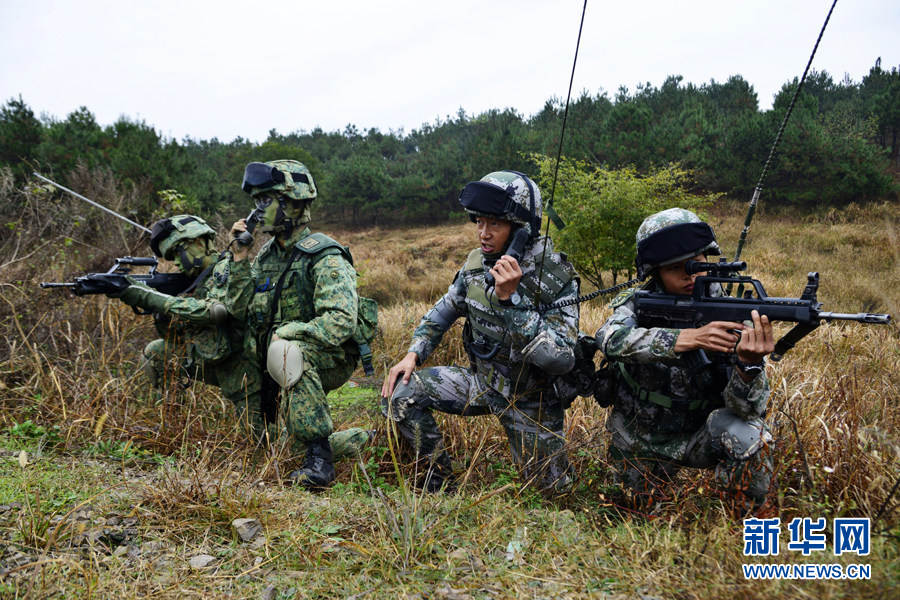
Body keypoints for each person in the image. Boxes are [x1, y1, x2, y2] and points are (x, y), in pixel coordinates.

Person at [110, 213, 370, 460]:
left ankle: (359, 438)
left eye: (178, 253)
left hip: (246, 374)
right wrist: (162, 312)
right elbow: (178, 337)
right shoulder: (192, 281)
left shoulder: (227, 268)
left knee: (276, 452)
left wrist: (149, 297)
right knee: (157, 353)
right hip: (217, 362)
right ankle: (172, 430)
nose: (176, 263)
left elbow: (218, 311)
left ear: (199, 242)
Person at [381, 170, 580, 494]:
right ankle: (439, 484)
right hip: (484, 383)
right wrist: (412, 353)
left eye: (495, 225)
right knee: (400, 394)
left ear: (520, 230)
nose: (483, 234)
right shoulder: (476, 264)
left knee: (552, 495)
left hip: (531, 399)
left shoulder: (554, 275)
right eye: (479, 222)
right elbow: (442, 311)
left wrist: (512, 302)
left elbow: (560, 360)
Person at [595, 207, 775, 511]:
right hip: (640, 438)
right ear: (655, 272)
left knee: (752, 434)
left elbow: (749, 408)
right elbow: (609, 339)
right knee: (627, 513)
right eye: (674, 267)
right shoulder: (638, 306)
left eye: (696, 263)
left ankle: (741, 524)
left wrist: (748, 367)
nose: (690, 275)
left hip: (699, 435)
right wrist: (685, 339)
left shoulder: (729, 313)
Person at [228, 160, 376, 489]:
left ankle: (319, 461)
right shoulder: (265, 256)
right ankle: (359, 439)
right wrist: (238, 257)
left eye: (267, 202)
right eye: (256, 202)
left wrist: (289, 334)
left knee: (286, 351)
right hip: (274, 362)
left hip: (326, 356)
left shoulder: (323, 254)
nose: (258, 211)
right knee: (272, 450)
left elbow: (339, 322)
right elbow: (237, 308)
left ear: (294, 203)